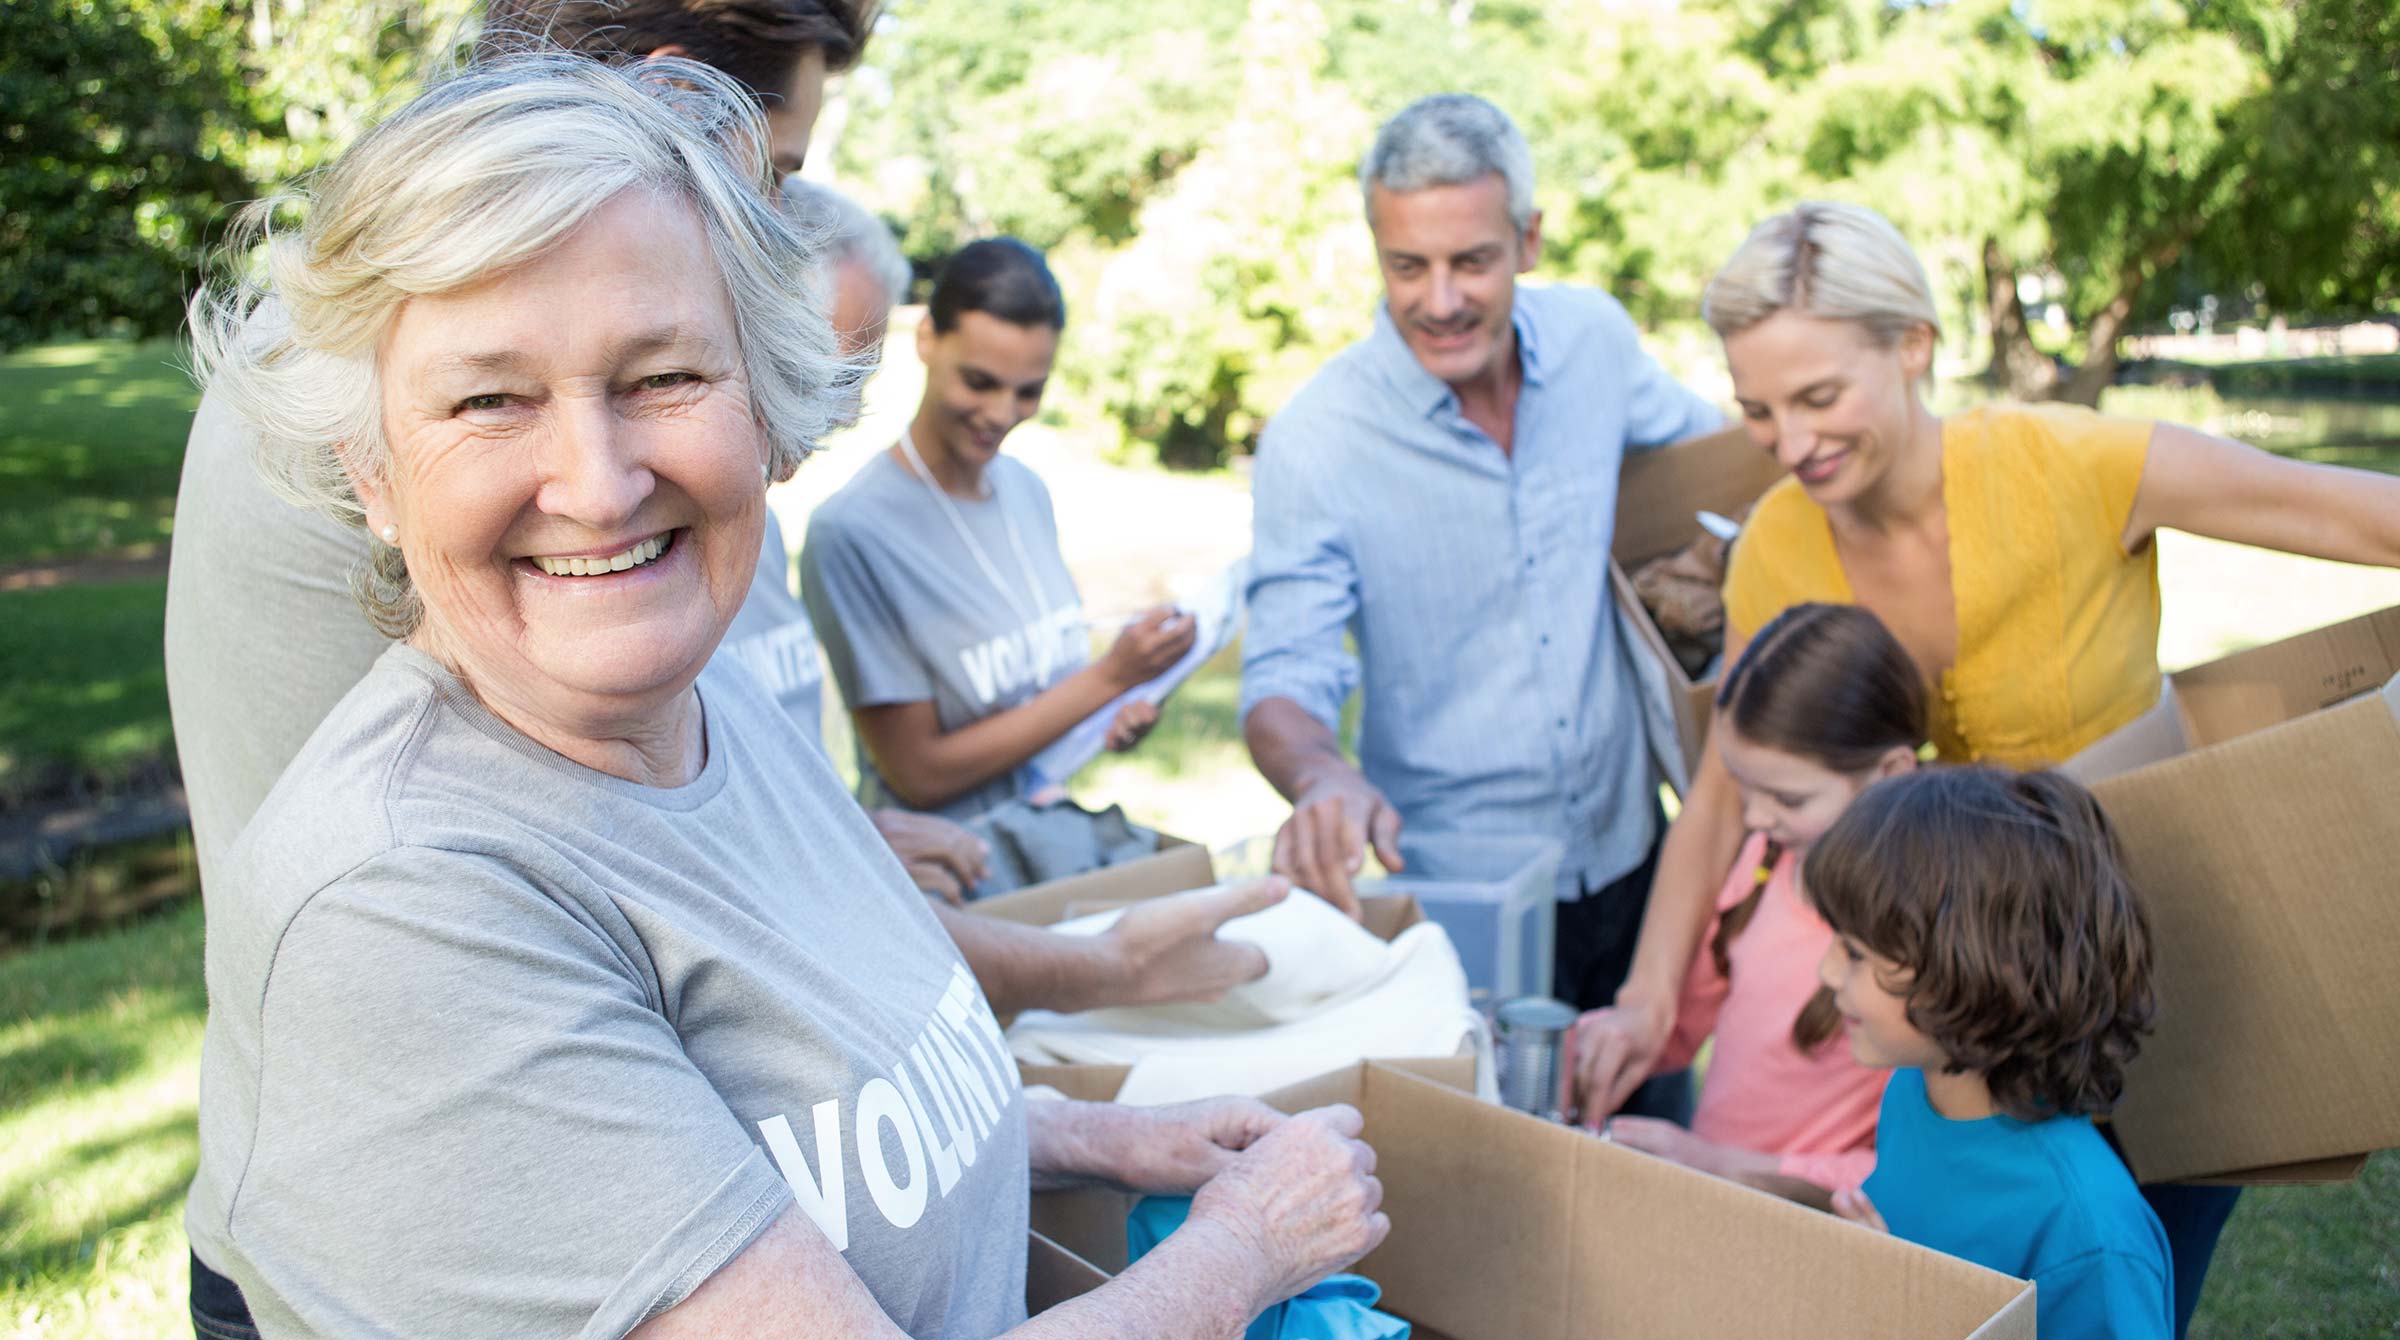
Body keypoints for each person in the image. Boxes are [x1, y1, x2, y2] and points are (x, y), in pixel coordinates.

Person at [183, 53, 1387, 1338]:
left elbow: (799, 1127)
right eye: (491, 399)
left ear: (764, 404)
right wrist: (1244, 1250)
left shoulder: (705, 703)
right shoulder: (404, 907)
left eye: (662, 376)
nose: (597, 483)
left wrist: (1094, 1134)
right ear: (371, 469)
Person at [160, 0, 1271, 1008]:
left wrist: (821, 830)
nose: (776, 223)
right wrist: (1102, 969)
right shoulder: (391, 386)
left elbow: (669, 821)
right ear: (668, 99)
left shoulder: (397, 323)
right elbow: (660, 904)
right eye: (775, 172)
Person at [1572, 200, 2400, 1332]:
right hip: (1947, 1033)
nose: (1791, 439)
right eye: (1759, 410)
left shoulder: (2076, 462)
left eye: (1819, 396)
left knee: (2115, 1265)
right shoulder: (1778, 543)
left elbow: (2367, 518)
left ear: (1913, 343)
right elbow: (1725, 785)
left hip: (2142, 978)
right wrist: (1646, 998)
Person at [1238, 93, 1724, 1038]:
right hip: (1458, 898)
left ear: (1529, 240)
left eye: (1472, 261)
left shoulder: (1595, 342)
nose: (1440, 300)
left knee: (1651, 1143)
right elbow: (1283, 678)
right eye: (1406, 266)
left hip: (1634, 858)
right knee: (1494, 1168)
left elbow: (1727, 464)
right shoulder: (1317, 441)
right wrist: (1320, 777)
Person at [801, 238, 1196, 829]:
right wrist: (1109, 678)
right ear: (928, 339)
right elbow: (919, 773)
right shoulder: (853, 532)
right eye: (980, 382)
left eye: (1028, 391)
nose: (1002, 413)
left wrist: (1106, 717)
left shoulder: (1026, 490)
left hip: (1049, 837)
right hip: (949, 876)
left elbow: (1041, 702)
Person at [1807, 767, 2173, 1340]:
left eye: (1855, 953)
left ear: (1980, 972)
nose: (1826, 971)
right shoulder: (1914, 1086)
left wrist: (1895, 1311)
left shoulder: (2090, 1236)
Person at [1589, 603, 1921, 1210]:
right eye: (1744, 789)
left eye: (1788, 798)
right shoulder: (1769, 864)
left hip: (1805, 1234)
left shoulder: (1921, 948)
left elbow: (1911, 1176)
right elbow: (1684, 1023)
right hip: (1714, 1199)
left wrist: (1726, 1166)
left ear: (1892, 772)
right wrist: (1611, 1043)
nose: (1754, 818)